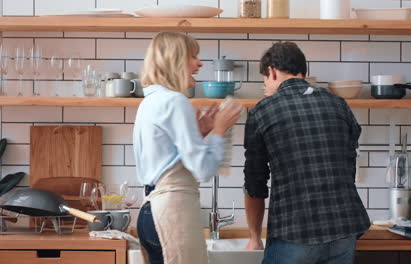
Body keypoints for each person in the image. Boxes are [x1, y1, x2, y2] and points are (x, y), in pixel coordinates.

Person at [243, 42, 370, 264]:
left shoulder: (262, 111)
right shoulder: (339, 104)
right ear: (303, 71)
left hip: (295, 231)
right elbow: (349, 163)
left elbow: (255, 184)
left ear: (271, 71)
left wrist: (254, 236)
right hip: (344, 227)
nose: (264, 85)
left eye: (264, 77)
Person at [132, 32, 242, 264]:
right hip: (172, 212)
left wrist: (199, 133)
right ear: (175, 59)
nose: (200, 63)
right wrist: (219, 130)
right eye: (193, 56)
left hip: (150, 212)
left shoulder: (149, 101)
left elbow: (167, 156)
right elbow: (202, 169)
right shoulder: (175, 101)